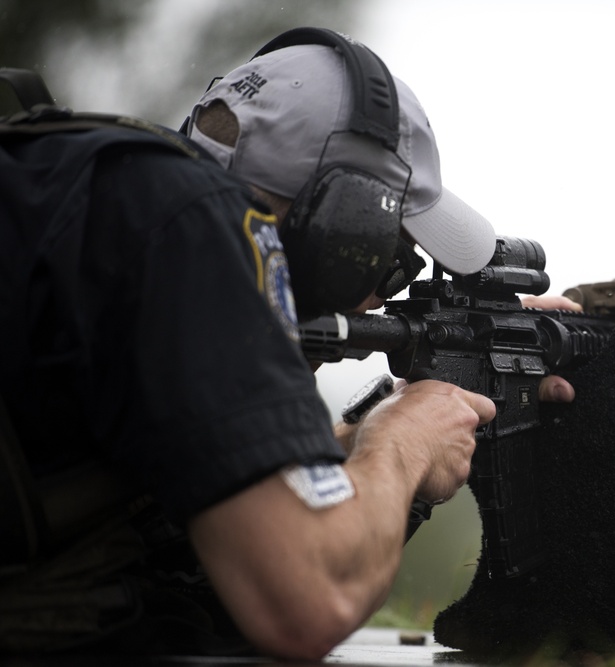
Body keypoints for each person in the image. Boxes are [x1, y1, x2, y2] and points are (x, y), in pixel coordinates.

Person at [0, 28, 575, 659]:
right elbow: (305, 600)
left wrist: (390, 424)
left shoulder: (116, 199)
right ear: (338, 223)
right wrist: (402, 446)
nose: (379, 299)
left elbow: (226, 536)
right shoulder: (197, 227)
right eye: (391, 259)